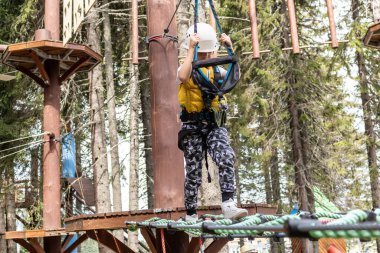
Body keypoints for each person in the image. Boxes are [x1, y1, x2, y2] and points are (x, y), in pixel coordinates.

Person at [177, 22, 248, 221]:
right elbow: (183, 76)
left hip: (215, 125)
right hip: (192, 126)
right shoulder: (186, 68)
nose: (206, 57)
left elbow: (235, 76)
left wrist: (230, 49)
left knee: (225, 156)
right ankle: (191, 212)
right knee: (193, 171)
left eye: (208, 53)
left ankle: (228, 203)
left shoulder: (218, 72)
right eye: (203, 54)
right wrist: (192, 49)